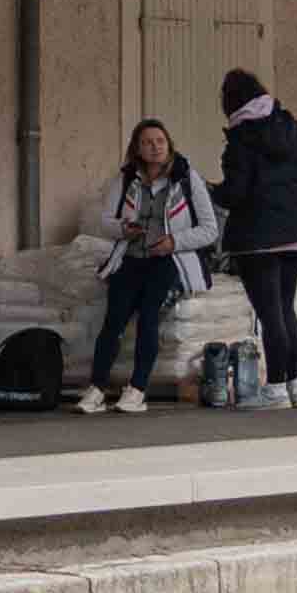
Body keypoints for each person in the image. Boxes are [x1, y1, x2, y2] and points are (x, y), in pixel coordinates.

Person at [82, 116, 208, 412]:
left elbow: (209, 228)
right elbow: (105, 223)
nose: (155, 148)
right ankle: (96, 388)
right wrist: (123, 229)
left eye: (160, 141)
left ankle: (137, 389)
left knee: (149, 316)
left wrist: (173, 242)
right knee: (113, 321)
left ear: (169, 145)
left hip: (167, 259)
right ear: (137, 149)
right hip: (131, 257)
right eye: (148, 143)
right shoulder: (126, 179)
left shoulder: (186, 177)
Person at [210, 66, 297, 407]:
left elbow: (235, 193)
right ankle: (296, 386)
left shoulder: (242, 139)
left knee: (270, 314)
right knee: (286, 309)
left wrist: (212, 191)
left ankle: (274, 387)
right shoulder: (294, 129)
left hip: (258, 236)